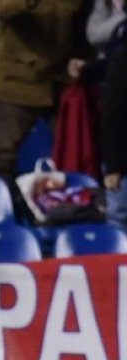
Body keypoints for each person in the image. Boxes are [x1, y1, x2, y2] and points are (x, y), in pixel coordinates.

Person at [0, 0, 89, 184]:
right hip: (17, 81)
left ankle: (74, 206)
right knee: (3, 155)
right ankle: (1, 207)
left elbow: (83, 27)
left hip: (61, 80)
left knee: (76, 150)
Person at [104, 28, 127, 232]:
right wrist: (113, 166)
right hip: (123, 162)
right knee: (119, 219)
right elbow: (113, 112)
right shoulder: (123, 57)